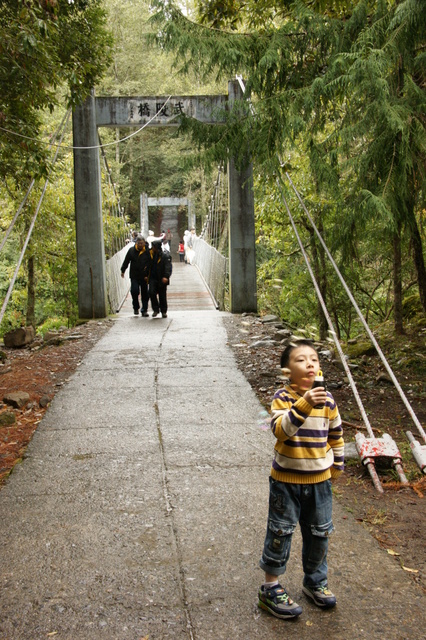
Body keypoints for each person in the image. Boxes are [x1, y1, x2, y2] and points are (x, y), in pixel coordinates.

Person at [258, 339, 344, 620]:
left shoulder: (329, 400)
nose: (310, 364)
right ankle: (270, 587)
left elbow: (336, 435)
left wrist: (337, 465)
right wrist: (305, 403)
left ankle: (314, 581)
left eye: (314, 359)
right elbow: (281, 431)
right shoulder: (283, 399)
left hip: (320, 482)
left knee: (320, 534)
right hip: (286, 481)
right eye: (301, 360)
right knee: (280, 532)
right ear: (287, 372)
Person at [120, 235, 151, 316]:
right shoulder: (131, 250)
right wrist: (123, 270)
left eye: (142, 243)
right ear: (136, 243)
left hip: (144, 276)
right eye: (139, 243)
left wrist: (149, 274)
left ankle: (144, 310)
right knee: (134, 291)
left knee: (145, 293)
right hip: (134, 275)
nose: (140, 245)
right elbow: (126, 261)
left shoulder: (147, 251)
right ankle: (136, 307)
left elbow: (151, 263)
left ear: (144, 243)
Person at [148, 240, 172, 318]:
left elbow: (168, 267)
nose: (152, 248)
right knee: (151, 292)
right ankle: (155, 309)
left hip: (162, 278)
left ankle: (163, 311)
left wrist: (166, 276)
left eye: (153, 247)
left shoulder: (165, 256)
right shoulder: (150, 255)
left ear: (156, 247)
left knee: (162, 295)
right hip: (152, 278)